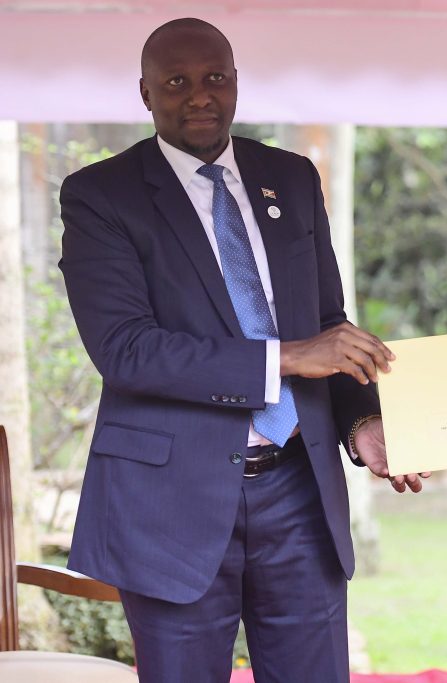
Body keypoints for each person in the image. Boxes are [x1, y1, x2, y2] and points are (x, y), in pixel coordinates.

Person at [59, 18, 427, 682]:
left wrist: (361, 423)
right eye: (177, 82)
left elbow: (329, 325)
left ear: (235, 83)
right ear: (144, 93)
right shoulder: (100, 196)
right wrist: (283, 357)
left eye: (215, 78)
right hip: (172, 503)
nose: (200, 95)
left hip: (298, 490)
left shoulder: (288, 178)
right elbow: (127, 350)